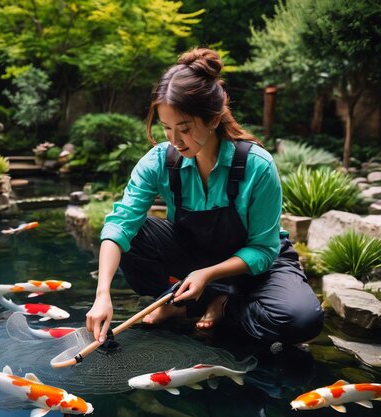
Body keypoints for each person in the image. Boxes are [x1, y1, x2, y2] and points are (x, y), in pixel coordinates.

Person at [86, 47, 324, 349]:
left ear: (212, 120)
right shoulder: (159, 160)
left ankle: (223, 306)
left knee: (303, 319)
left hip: (255, 265)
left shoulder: (256, 166)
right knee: (133, 236)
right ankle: (186, 301)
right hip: (195, 255)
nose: (174, 140)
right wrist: (102, 293)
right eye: (166, 128)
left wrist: (209, 275)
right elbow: (120, 223)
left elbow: (264, 249)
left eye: (184, 129)